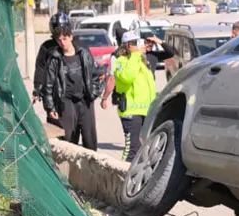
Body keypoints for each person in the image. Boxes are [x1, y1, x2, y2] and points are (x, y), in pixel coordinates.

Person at [39, 20, 102, 150]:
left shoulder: (83, 54)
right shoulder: (55, 59)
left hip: (85, 102)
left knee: (90, 140)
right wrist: (50, 108)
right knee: (68, 141)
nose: (63, 43)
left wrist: (94, 93)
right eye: (59, 40)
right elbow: (48, 86)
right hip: (66, 103)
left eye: (65, 39)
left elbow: (96, 74)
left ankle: (90, 169)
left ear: (71, 37)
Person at [106, 30, 157, 161]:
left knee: (144, 149)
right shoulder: (120, 61)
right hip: (131, 112)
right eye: (135, 43)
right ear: (127, 45)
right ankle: (123, 176)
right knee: (131, 149)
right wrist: (135, 56)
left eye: (139, 42)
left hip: (145, 111)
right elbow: (127, 77)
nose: (139, 45)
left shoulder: (142, 61)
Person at [33, 12, 68, 102]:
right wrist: (38, 87)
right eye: (57, 29)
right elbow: (40, 67)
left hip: (73, 91)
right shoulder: (47, 47)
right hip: (53, 92)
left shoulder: (75, 45)